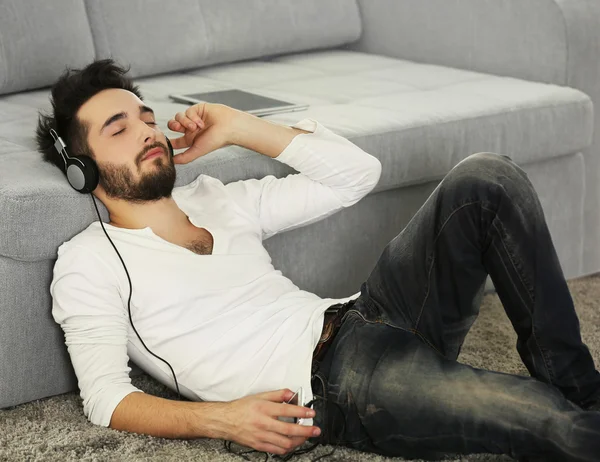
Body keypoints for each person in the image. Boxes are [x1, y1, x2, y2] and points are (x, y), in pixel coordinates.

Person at [37, 59, 600, 462]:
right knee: (550, 423)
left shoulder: (215, 197)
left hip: (370, 311)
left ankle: (580, 382)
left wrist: (238, 126)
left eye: (146, 117)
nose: (147, 131)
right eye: (120, 128)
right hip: (339, 385)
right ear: (81, 168)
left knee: (485, 177)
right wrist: (222, 419)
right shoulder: (89, 263)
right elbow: (107, 398)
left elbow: (357, 175)